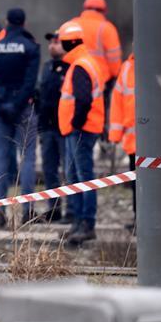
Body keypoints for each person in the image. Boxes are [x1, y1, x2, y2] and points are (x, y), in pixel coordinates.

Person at [0, 8, 40, 227]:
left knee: (1, 157)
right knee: (27, 157)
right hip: (23, 106)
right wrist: (17, 104)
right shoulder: (30, 47)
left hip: (0, 106)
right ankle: (27, 210)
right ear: (24, 23)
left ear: (5, 22)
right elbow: (30, 81)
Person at [57, 20, 105, 246]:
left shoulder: (80, 66)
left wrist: (75, 123)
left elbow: (83, 99)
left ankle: (86, 223)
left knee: (83, 177)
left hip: (80, 130)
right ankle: (79, 222)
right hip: (81, 129)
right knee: (77, 177)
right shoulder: (86, 61)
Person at [37, 31, 69, 222]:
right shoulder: (47, 67)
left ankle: (73, 210)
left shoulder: (70, 67)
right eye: (50, 43)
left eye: (56, 42)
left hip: (64, 127)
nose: (52, 46)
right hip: (48, 127)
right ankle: (54, 208)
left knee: (69, 169)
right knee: (49, 170)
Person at [109, 51, 136, 227]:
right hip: (134, 141)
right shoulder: (127, 68)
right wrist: (115, 134)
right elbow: (117, 102)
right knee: (136, 183)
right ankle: (138, 217)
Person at [75, 0, 122, 83]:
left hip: (75, 77)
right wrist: (115, 75)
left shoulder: (72, 24)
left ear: (84, 8)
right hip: (100, 79)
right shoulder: (107, 28)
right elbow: (114, 60)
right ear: (104, 11)